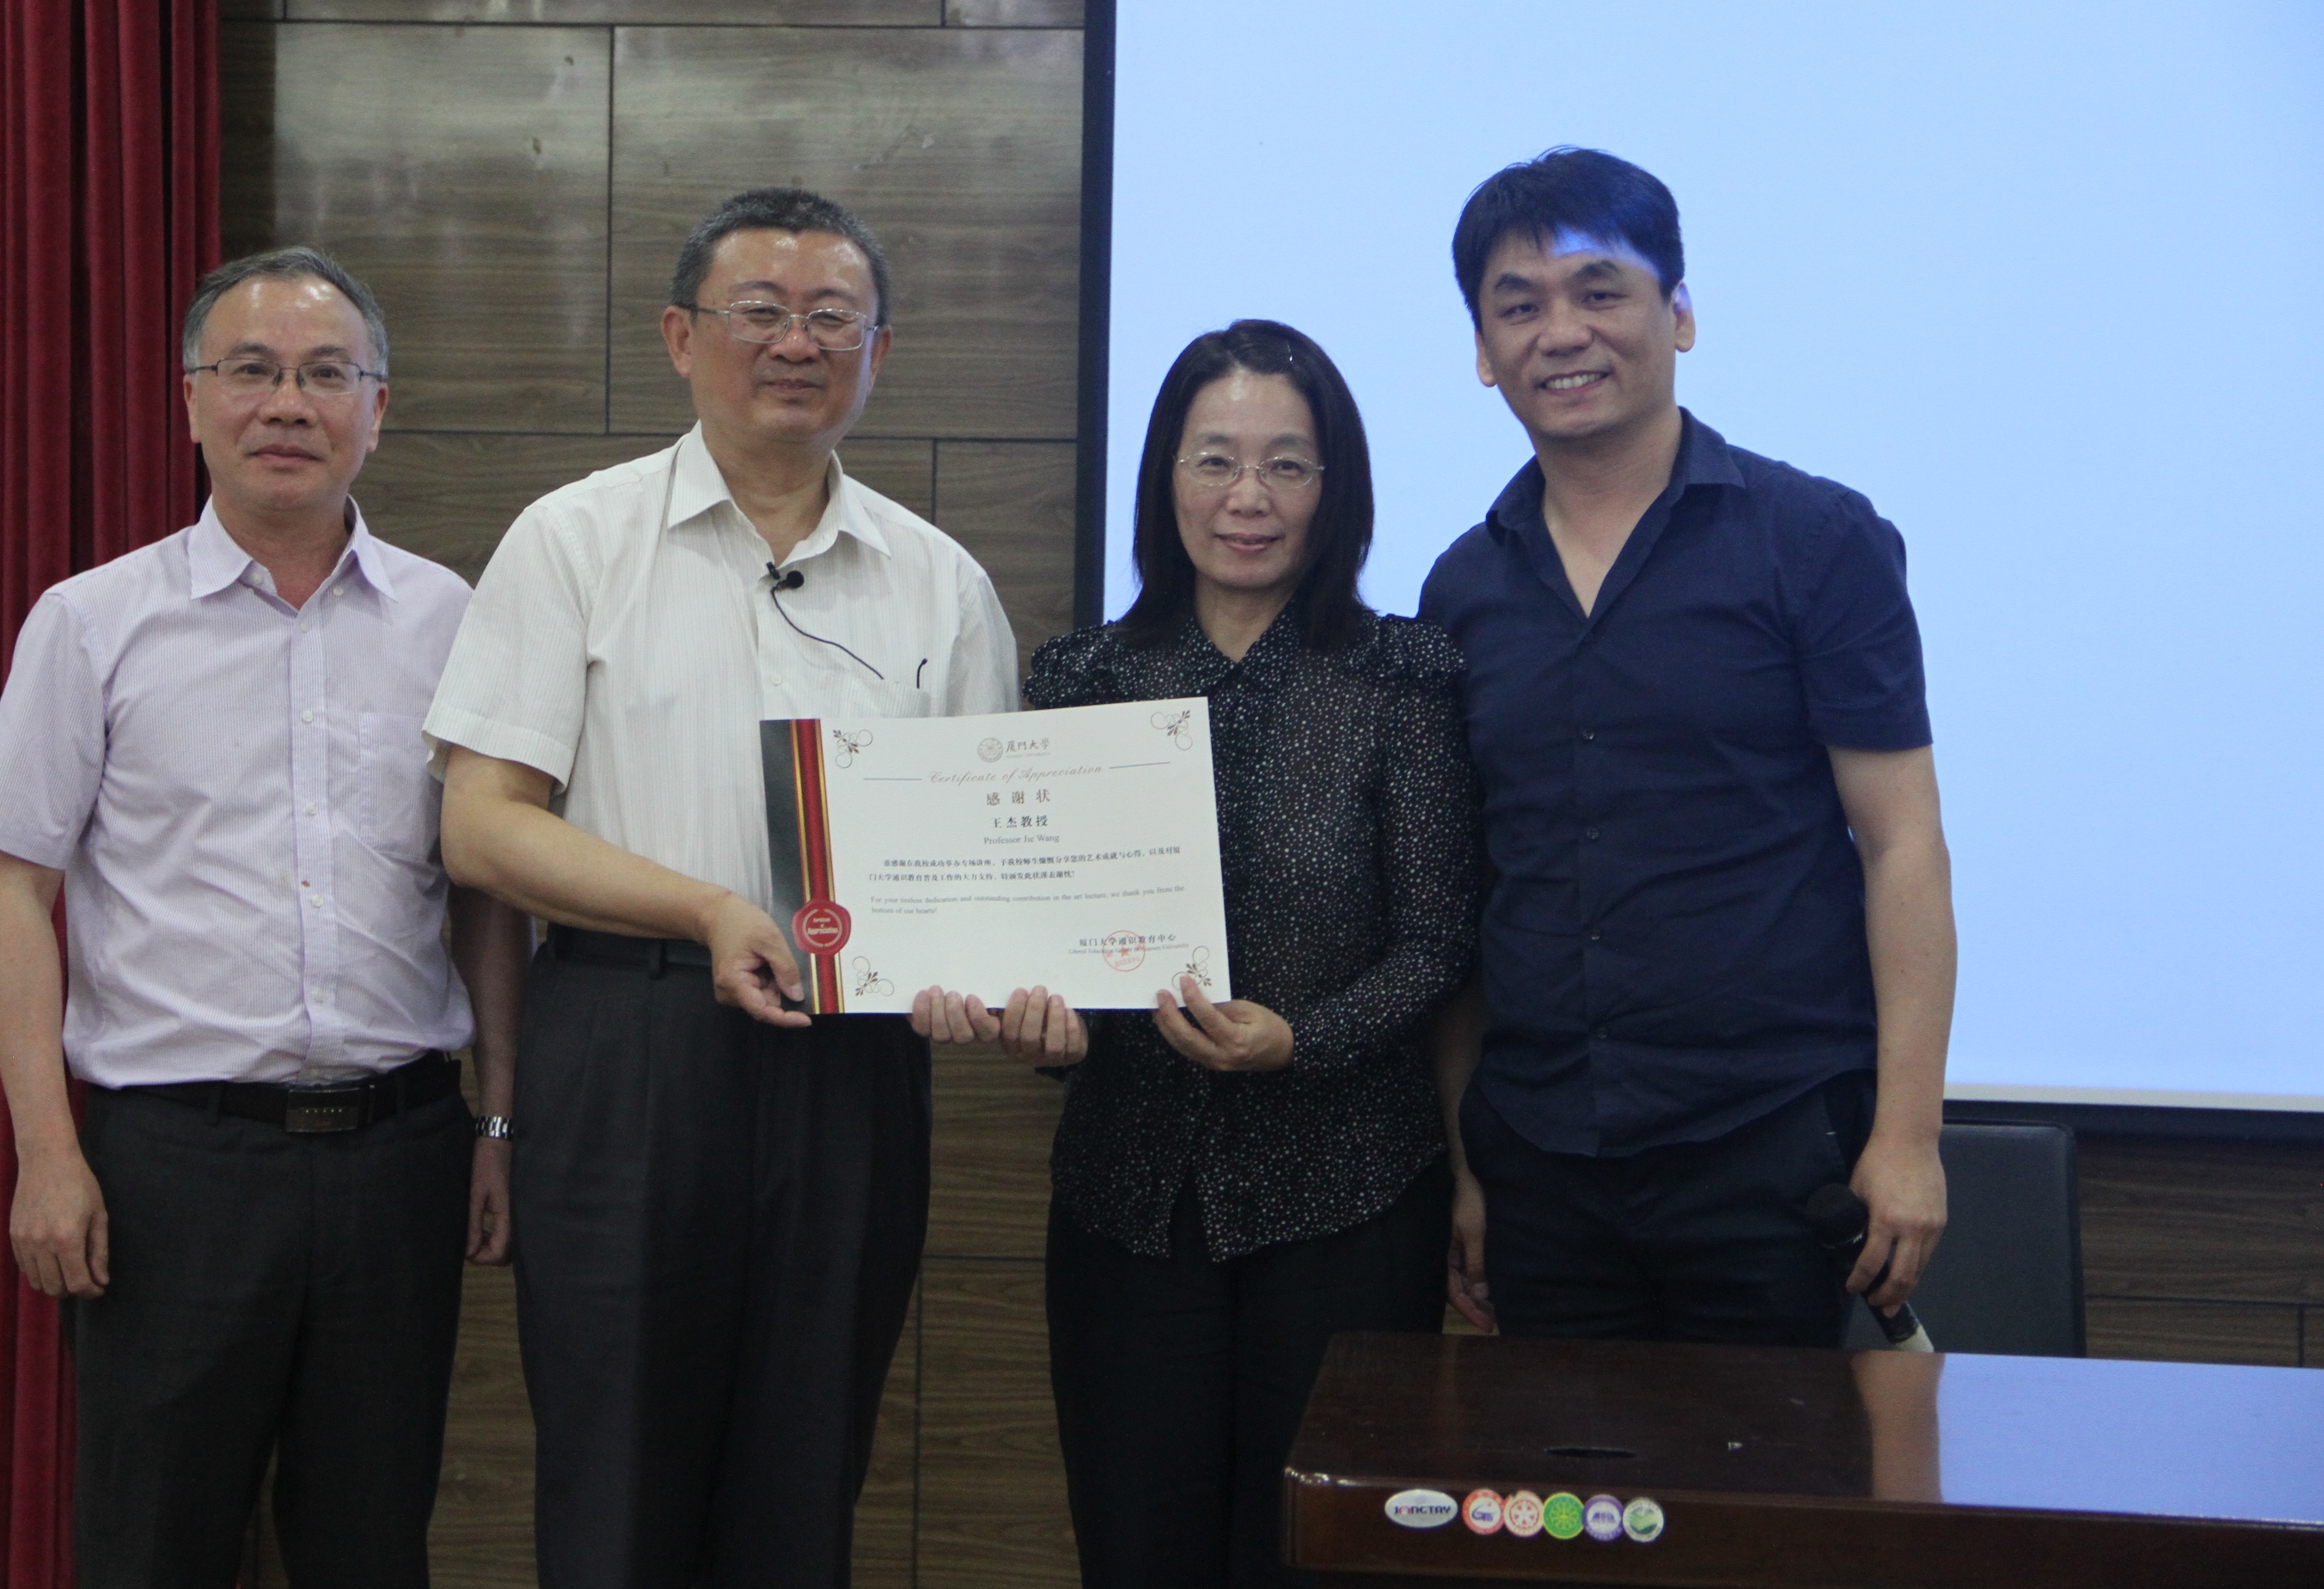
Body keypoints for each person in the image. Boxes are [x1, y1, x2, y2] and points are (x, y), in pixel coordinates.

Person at [425, 187, 1019, 1589]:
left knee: (804, 1484)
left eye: (831, 318)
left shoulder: (939, 583)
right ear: (681, 337)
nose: (794, 344)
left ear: (880, 352)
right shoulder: (575, 540)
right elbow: (482, 829)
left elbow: (984, 860)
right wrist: (702, 910)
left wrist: (1000, 976)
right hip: (627, 1045)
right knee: (616, 1485)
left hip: (851, 1065)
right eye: (760, 312)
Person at [0, 248, 531, 1589]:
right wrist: (47, 1152)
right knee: (153, 1543)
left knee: (371, 1543)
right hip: (174, 1169)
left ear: (377, 408)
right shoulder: (92, 622)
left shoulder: (454, 620)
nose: (287, 403)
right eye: (251, 370)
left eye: (326, 374)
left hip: (401, 1154)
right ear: (190, 400)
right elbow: (9, 892)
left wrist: (497, 1122)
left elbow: (486, 892)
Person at [913, 321, 1482, 1588]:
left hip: (1349, 1197)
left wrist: (1303, 1038)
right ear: (1164, 477)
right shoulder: (1082, 681)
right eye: (1213, 458)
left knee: (1318, 1557)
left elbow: (1440, 938)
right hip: (1129, 1200)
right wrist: (1039, 1026)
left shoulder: (1400, 674)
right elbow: (1047, 943)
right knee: (1137, 1550)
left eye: (1287, 464)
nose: (1247, 497)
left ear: (1336, 486)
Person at [1418, 147, 1956, 1347]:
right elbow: (1472, 892)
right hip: (1543, 1160)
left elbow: (1902, 845)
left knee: (1781, 1472)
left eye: (1599, 290)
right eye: (1519, 305)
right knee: (1561, 1473)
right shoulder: (1461, 588)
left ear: (1679, 312)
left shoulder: (1815, 539)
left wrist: (1908, 1136)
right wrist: (1466, 1164)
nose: (1562, 332)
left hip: (1771, 1144)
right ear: (1483, 349)